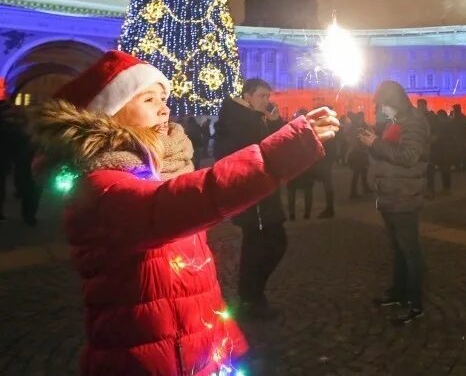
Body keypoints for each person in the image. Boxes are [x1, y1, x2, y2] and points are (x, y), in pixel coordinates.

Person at [29, 50, 337, 375]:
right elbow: (181, 200)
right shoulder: (100, 186)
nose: (165, 107)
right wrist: (279, 154)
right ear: (108, 114)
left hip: (194, 348)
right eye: (148, 100)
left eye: (164, 97)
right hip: (143, 358)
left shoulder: (162, 168)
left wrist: (221, 337)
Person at [213, 79, 297, 319]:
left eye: (268, 96)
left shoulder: (254, 118)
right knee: (264, 246)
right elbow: (247, 151)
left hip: (263, 194)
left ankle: (251, 296)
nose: (266, 101)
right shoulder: (238, 119)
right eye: (262, 96)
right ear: (247, 96)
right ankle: (252, 298)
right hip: (254, 198)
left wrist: (275, 124)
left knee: (264, 246)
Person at [360, 81, 430, 325]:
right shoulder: (395, 123)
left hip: (405, 195)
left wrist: (376, 144)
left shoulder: (413, 123)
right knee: (397, 249)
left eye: (384, 106)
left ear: (395, 102)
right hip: (390, 194)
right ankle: (399, 293)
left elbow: (410, 156)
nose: (381, 111)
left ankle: (415, 302)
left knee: (410, 251)